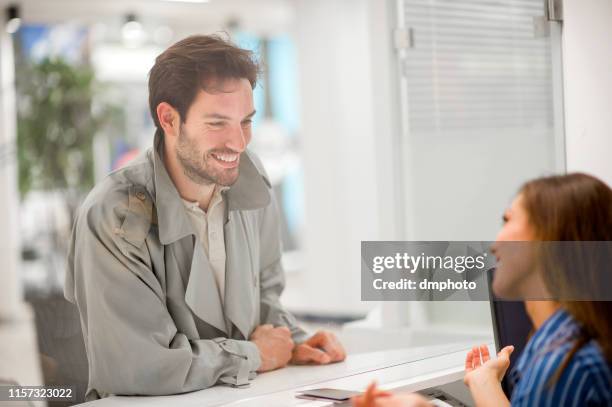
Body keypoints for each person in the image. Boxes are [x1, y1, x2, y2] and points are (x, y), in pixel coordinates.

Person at [65, 34, 345, 401]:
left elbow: (265, 297)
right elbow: (139, 365)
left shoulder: (249, 177)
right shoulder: (114, 215)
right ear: (169, 119)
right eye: (217, 124)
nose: (239, 143)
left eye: (245, 121)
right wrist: (254, 355)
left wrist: (294, 340)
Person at [353, 173, 612, 407]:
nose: (494, 244)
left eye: (507, 220)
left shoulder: (564, 366)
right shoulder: (569, 345)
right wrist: (484, 382)